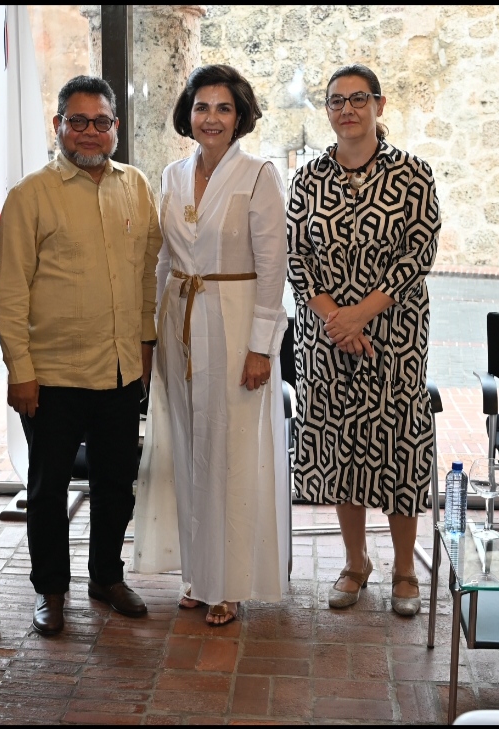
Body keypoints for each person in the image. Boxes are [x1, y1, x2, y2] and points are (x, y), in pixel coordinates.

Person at [0, 75, 162, 636]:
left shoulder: (136, 186)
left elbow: (147, 275)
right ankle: (51, 591)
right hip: (52, 375)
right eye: (78, 121)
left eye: (101, 122)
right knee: (48, 491)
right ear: (59, 125)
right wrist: (21, 371)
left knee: (116, 483)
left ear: (116, 126)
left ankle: (106, 578)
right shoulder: (30, 195)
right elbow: (10, 292)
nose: (90, 132)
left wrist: (144, 345)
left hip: (119, 370)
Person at [133, 65, 289, 626]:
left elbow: (273, 268)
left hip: (235, 320)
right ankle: (198, 575)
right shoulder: (173, 175)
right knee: (188, 448)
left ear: (240, 115)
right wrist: (152, 333)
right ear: (189, 114)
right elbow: (163, 259)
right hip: (181, 322)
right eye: (202, 107)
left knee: (232, 452)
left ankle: (231, 582)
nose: (212, 118)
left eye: (224, 108)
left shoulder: (258, 175)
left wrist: (261, 347)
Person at [286, 63, 440, 616]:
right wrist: (337, 319)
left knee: (397, 443)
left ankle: (404, 569)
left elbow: (418, 253)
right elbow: (296, 257)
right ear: (326, 110)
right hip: (324, 337)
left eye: (357, 99)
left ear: (379, 104)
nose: (347, 109)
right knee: (339, 445)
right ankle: (355, 563)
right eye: (336, 101)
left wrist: (360, 316)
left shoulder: (413, 174)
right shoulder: (307, 178)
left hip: (394, 334)